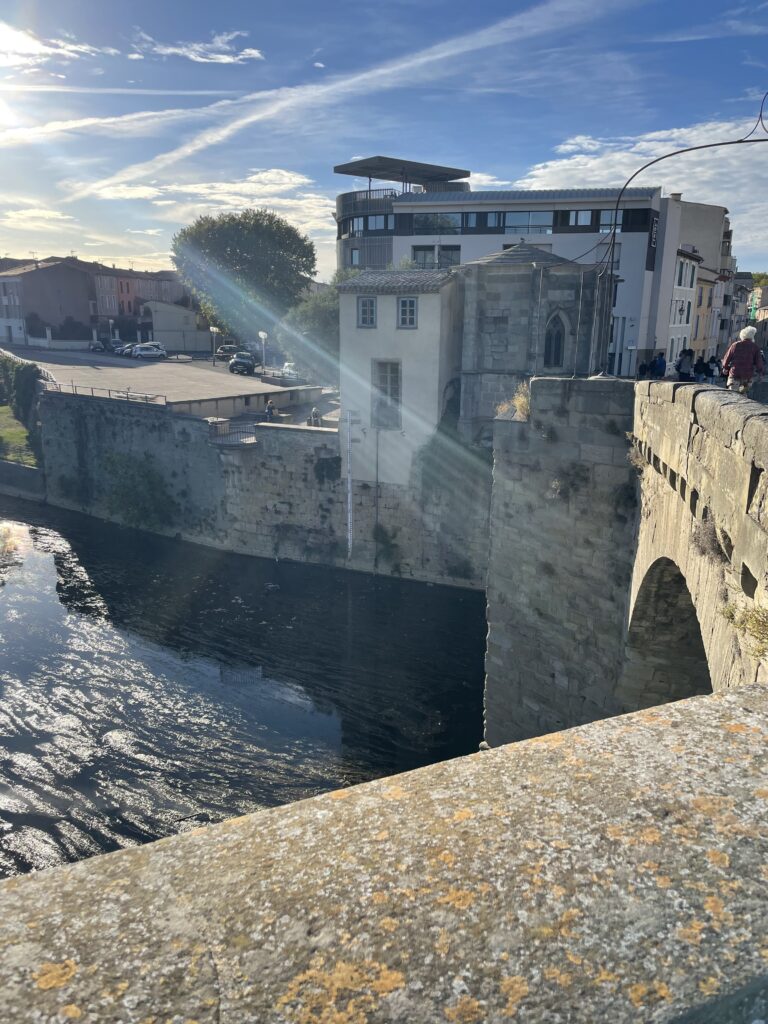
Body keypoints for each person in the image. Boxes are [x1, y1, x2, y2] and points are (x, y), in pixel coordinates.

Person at [722, 327, 765, 394]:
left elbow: (727, 357)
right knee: (742, 394)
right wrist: (760, 374)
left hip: (735, 374)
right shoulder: (755, 347)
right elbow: (759, 362)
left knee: (733, 394)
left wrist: (725, 367)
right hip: (747, 376)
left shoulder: (735, 345)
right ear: (752, 336)